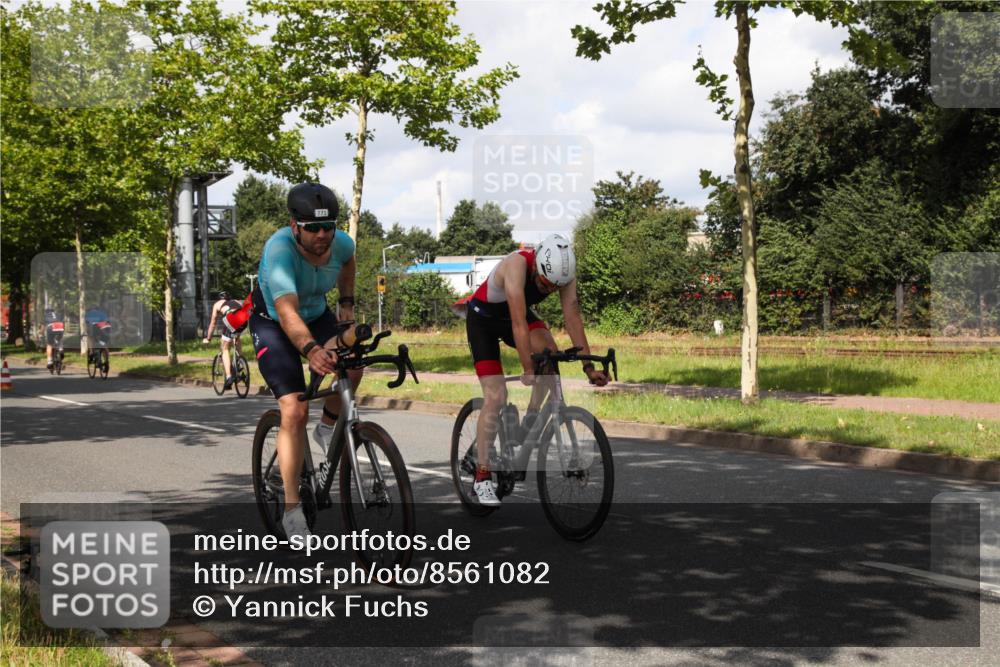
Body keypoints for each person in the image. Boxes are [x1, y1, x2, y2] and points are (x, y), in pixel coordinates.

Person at [453, 233, 609, 507]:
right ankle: (482, 475)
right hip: (485, 320)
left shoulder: (564, 274)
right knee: (496, 396)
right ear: (536, 265)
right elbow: (517, 324)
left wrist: (588, 367)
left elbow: (572, 316)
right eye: (545, 285)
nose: (548, 290)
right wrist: (527, 367)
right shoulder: (516, 266)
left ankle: (529, 423)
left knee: (550, 356)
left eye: (554, 287)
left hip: (519, 315)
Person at [249, 182, 360, 540]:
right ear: (295, 225)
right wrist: (312, 351)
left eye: (329, 226)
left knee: (354, 360)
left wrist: (346, 303)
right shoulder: (279, 250)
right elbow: (286, 312)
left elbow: (349, 261)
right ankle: (292, 507)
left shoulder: (341, 243)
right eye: (313, 228)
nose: (323, 235)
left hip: (316, 315)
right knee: (294, 409)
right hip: (275, 323)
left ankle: (328, 425)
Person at [203, 291, 248, 389]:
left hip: (231, 319)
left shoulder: (217, 304)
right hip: (244, 320)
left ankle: (228, 377)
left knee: (225, 349)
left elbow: (213, 323)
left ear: (220, 298)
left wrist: (208, 338)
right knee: (236, 337)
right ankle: (240, 361)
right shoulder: (236, 301)